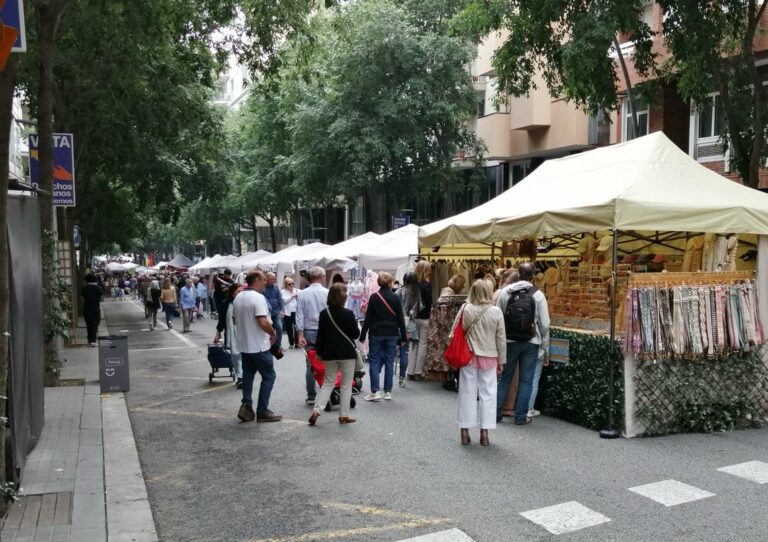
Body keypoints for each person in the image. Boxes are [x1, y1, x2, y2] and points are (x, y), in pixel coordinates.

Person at [495, 262, 550, 426]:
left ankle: (495, 414)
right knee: (527, 381)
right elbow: (545, 324)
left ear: (518, 274)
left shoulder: (505, 292)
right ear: (533, 276)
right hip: (531, 342)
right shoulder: (538, 295)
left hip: (509, 341)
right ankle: (520, 417)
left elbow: (498, 317)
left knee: (504, 379)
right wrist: (545, 348)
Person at [452, 279, 506, 446]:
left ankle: (464, 431)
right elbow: (501, 338)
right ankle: (485, 433)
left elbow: (453, 332)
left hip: (469, 355)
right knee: (488, 393)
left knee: (467, 392)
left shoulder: (465, 308)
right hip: (489, 355)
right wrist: (502, 360)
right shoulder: (496, 312)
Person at [232, 270, 282, 423]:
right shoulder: (258, 298)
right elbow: (263, 321)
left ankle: (246, 406)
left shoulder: (239, 297)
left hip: (245, 345)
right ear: (257, 280)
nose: (266, 282)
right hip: (259, 345)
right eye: (264, 279)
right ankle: (262, 410)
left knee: (248, 376)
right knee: (269, 376)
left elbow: (235, 320)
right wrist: (273, 333)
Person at [308, 283, 360, 425]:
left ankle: (317, 410)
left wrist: (319, 352)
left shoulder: (324, 313)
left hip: (330, 354)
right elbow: (356, 334)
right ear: (344, 298)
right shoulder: (348, 314)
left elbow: (320, 335)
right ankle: (343, 415)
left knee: (328, 383)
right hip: (347, 353)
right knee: (346, 385)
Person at [360, 272, 407, 402]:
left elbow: (368, 318)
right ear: (390, 282)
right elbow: (400, 319)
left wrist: (363, 335)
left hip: (376, 333)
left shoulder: (374, 297)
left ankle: (375, 391)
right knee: (389, 361)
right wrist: (403, 337)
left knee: (374, 361)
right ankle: (387, 391)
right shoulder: (395, 298)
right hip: (392, 333)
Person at [296, 266, 330, 405]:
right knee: (328, 362)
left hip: (309, 330)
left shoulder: (303, 294)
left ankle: (311, 395)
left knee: (311, 364)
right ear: (322, 277)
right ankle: (326, 392)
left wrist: (300, 334)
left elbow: (299, 315)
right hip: (326, 330)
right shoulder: (327, 293)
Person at [406, 260, 432, 380]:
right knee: (423, 345)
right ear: (425, 271)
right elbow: (429, 303)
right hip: (424, 317)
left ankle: (410, 371)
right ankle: (418, 371)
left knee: (414, 345)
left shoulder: (412, 284)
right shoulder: (427, 285)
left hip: (413, 318)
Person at [396, 271, 421, 387]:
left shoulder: (399, 292)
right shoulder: (416, 294)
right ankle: (402, 378)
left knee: (391, 350)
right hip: (410, 325)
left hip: (397, 324)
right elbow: (418, 310)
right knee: (404, 351)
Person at [225, 283, 245, 389]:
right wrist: (218, 332)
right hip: (232, 333)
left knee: (242, 356)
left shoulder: (246, 303)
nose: (240, 293)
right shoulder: (228, 304)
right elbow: (222, 321)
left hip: (244, 333)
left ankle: (242, 377)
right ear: (233, 293)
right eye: (238, 291)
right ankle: (239, 376)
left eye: (242, 291)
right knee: (235, 356)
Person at [81, 273, 103, 347]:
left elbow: (82, 295)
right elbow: (101, 295)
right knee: (95, 324)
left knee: (88, 324)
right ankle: (92, 341)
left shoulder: (84, 288)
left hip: (86, 308)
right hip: (95, 308)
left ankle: (90, 339)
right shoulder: (97, 288)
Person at [264, 272, 284, 348]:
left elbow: (280, 298)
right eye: (273, 279)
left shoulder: (276, 287)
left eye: (275, 279)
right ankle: (269, 344)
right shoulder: (263, 287)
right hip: (267, 313)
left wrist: (282, 309)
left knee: (280, 327)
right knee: (268, 329)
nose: (274, 280)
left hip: (276, 312)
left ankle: (278, 345)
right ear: (267, 279)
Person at [213, 269, 234, 343]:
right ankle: (218, 334)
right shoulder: (219, 280)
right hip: (219, 302)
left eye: (229, 275)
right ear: (224, 274)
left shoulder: (231, 281)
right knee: (222, 317)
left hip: (227, 302)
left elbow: (233, 290)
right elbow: (219, 290)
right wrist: (228, 287)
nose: (228, 276)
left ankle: (218, 334)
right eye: (227, 275)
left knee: (224, 318)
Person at [281, 277, 300, 348]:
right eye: (290, 284)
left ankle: (297, 343)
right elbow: (284, 301)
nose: (292, 285)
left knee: (296, 327)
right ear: (286, 285)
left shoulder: (297, 290)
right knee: (289, 328)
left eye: (293, 283)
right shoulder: (282, 292)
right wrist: (292, 296)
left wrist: (297, 296)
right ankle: (291, 343)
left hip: (296, 311)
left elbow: (300, 300)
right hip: (287, 312)